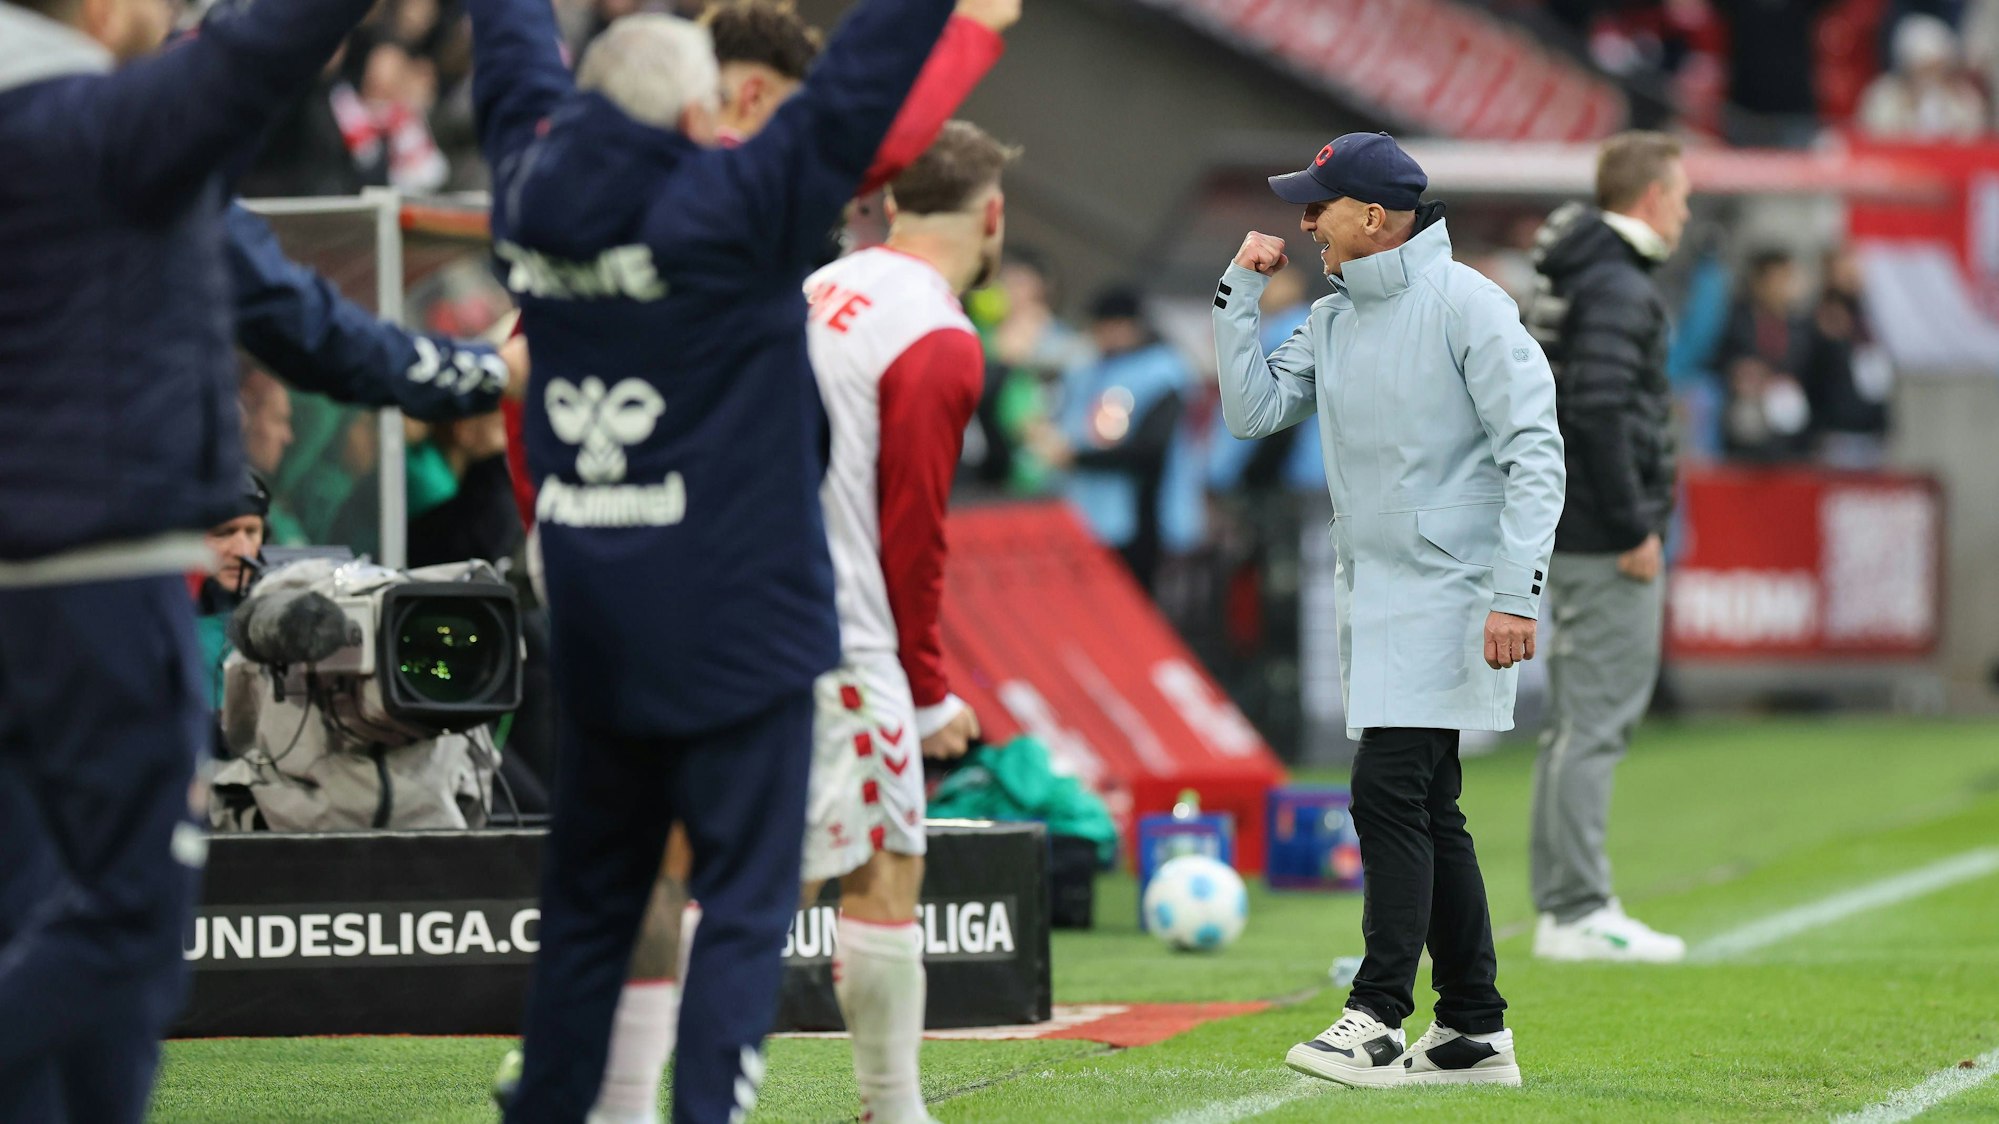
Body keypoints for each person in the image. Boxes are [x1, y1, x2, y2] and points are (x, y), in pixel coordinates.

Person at [465, 0, 956, 1117]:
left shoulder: (526, 196)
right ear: (700, 110)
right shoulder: (743, 202)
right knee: (741, 903)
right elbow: (868, 72)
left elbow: (507, 58)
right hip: (743, 623)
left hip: (594, 614)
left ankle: (552, 1101)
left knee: (592, 900)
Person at [0, 0, 383, 1116]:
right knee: (129, 919)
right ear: (103, 9)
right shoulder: (104, 123)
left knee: (44, 922)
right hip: (96, 594)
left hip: (47, 593)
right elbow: (269, 47)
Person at [1214, 132, 1564, 1089]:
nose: (1303, 221)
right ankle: (1470, 1032)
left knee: (1384, 792)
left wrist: (1515, 591)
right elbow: (1249, 413)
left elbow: (1535, 447)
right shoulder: (1332, 319)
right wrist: (1239, 295)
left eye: (1318, 204)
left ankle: (1375, 1015)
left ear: (1374, 218)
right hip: (1377, 594)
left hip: (1454, 594)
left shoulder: (1469, 304)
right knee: (1426, 805)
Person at [792, 119, 1011, 1124]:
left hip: (746, 615)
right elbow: (909, 533)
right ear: (991, 214)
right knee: (883, 858)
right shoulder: (934, 330)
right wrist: (925, 692)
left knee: (755, 868)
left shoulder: (822, 287)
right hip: (842, 634)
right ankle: (895, 1106)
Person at [1521, 131, 1689, 964]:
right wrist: (1633, 525)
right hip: (1601, 531)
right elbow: (1596, 411)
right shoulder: (1620, 287)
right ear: (1652, 198)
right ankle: (1580, 910)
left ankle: (1564, 907)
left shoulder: (1579, 274)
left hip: (1570, 524)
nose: (1686, 211)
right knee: (1594, 725)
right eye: (1681, 195)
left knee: (1573, 725)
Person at [1029, 288, 1199, 592]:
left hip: (1144, 517)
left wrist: (1077, 458)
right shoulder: (1092, 367)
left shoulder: (1163, 372)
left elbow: (1149, 451)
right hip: (1089, 517)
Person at [1715, 249, 1812, 461]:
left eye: (1788, 278)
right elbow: (1718, 361)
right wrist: (1739, 372)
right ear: (1759, 282)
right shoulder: (1737, 321)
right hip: (1748, 428)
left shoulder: (1803, 326)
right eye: (1778, 279)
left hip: (1791, 433)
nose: (1784, 287)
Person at [1857, 14, 1990, 139]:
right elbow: (1872, 137)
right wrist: (1905, 110)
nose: (1930, 78)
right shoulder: (1884, 95)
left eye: (1938, 69)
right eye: (1924, 70)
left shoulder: (1965, 97)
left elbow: (1975, 139)